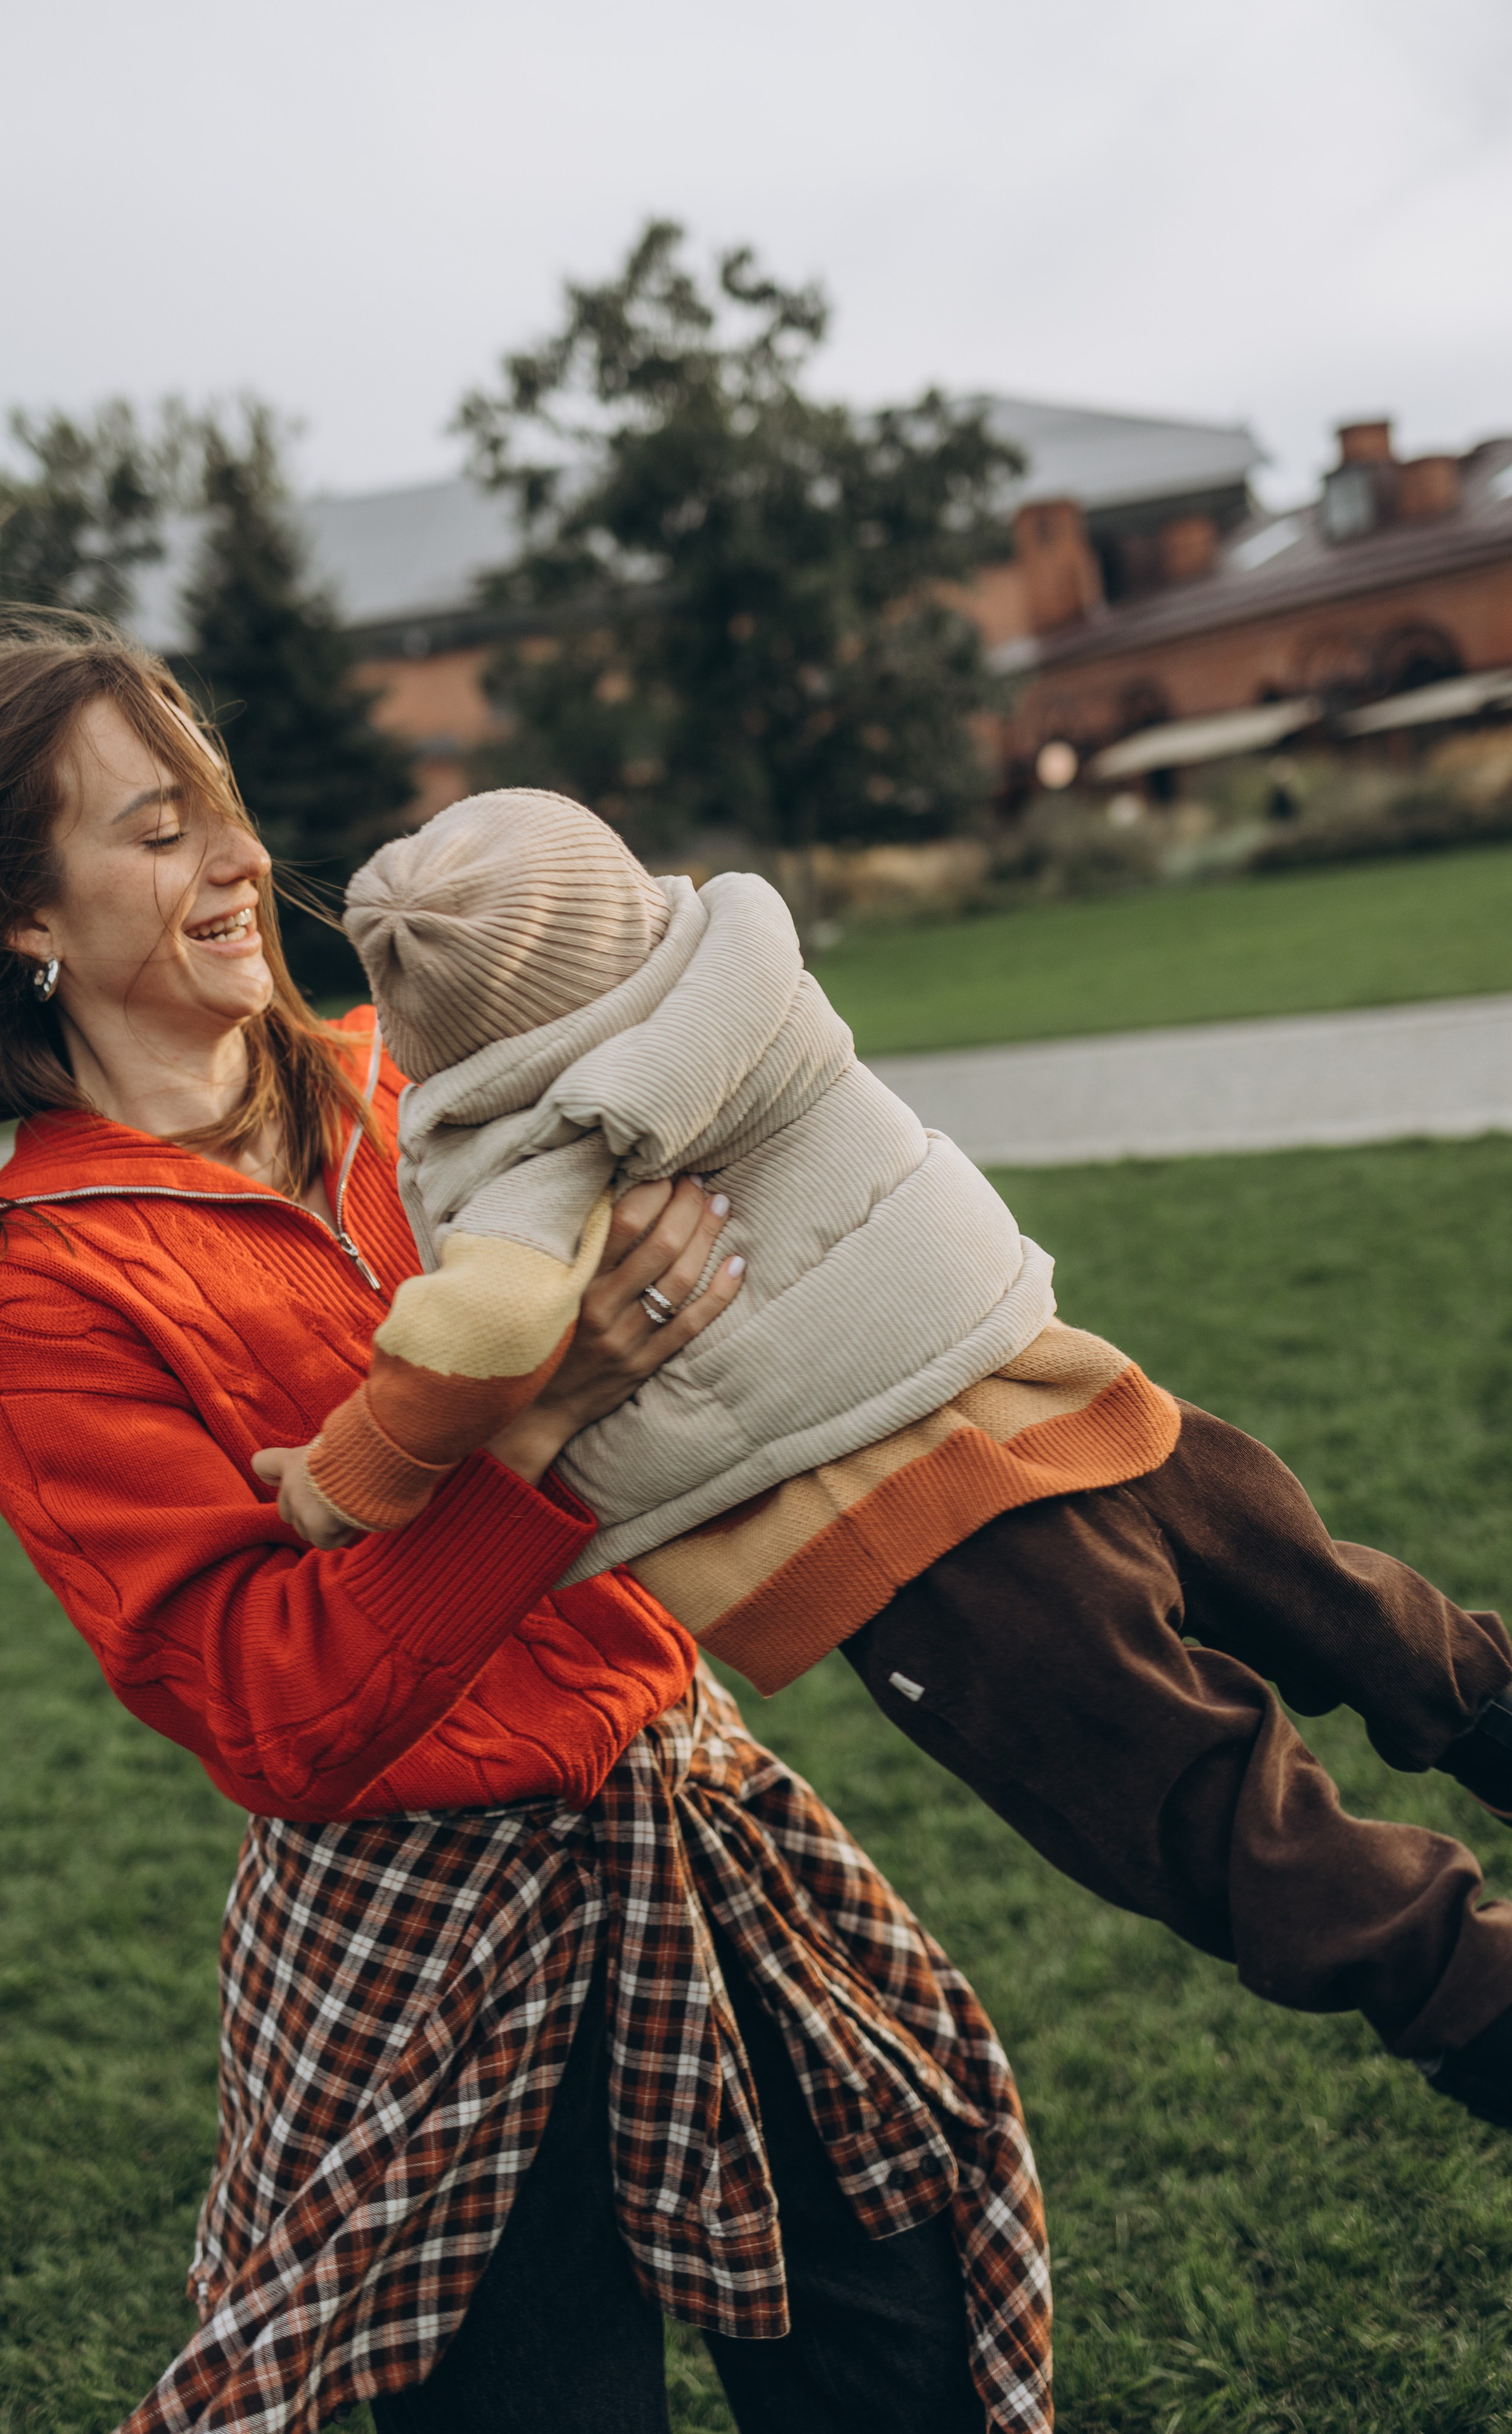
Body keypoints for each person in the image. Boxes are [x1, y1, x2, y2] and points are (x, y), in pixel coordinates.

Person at [0, 626, 1051, 2434]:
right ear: (19, 914)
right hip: (421, 1926)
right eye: (155, 830)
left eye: (224, 807)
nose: (237, 859)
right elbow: (265, 1705)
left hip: (686, 1807)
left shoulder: (419, 1072)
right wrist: (545, 1425)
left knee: (893, 2328)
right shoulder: (42, 1286)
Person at [269, 783, 1512, 2132]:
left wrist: (347, 1477)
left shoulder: (546, 1147)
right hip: (1056, 1391)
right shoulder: (751, 970)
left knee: (1192, 1800)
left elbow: (488, 1325)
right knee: (1333, 1599)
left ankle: (1469, 1993)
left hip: (910, 1544)